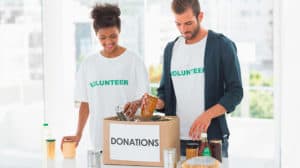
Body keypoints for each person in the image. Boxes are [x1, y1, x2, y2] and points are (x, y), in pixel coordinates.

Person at [143, 0, 243, 157]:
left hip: (211, 140)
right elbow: (165, 93)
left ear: (200, 16)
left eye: (188, 23)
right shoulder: (171, 49)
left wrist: (207, 115)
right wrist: (157, 102)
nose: (183, 29)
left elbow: (236, 92)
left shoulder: (221, 45)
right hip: (175, 139)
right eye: (178, 24)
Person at [61, 3, 149, 151]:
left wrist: (137, 103)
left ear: (119, 31)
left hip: (131, 140)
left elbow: (146, 99)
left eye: (113, 36)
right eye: (103, 37)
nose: (108, 42)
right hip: (99, 140)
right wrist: (78, 134)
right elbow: (85, 103)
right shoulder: (88, 64)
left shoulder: (134, 60)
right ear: (96, 35)